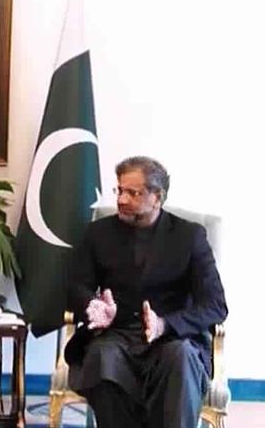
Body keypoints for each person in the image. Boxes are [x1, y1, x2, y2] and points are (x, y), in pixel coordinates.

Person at [65, 156, 228, 428]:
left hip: (172, 339)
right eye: (120, 190)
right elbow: (76, 287)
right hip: (117, 334)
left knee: (180, 359)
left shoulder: (189, 236)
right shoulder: (98, 233)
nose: (122, 199)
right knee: (101, 359)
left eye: (133, 193)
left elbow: (215, 305)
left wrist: (164, 324)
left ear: (157, 197)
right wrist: (94, 306)